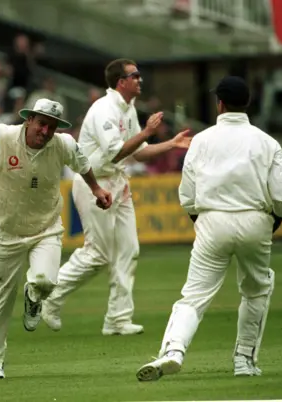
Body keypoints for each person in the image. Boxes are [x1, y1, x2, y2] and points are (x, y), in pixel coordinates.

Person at [0, 98, 113, 380]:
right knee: (0, 301)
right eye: (41, 124)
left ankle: (34, 295)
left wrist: (96, 189)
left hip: (46, 227)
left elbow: (82, 163)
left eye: (51, 127)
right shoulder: (2, 137)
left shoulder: (63, 144)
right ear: (29, 119)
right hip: (7, 231)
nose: (45, 131)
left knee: (46, 281)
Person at [135, 76, 282, 381]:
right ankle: (244, 361)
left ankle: (172, 352)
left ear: (219, 104)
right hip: (256, 220)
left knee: (193, 296)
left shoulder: (202, 141)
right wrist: (275, 220)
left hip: (212, 222)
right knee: (257, 289)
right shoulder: (267, 142)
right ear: (246, 104)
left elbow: (187, 194)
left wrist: (202, 221)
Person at [41, 59, 192, 336]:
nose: (140, 80)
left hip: (118, 182)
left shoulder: (128, 108)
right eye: (134, 76)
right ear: (121, 82)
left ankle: (117, 319)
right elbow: (115, 152)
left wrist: (170, 144)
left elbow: (137, 152)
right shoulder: (104, 110)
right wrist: (146, 132)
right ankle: (50, 296)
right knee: (98, 254)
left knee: (128, 250)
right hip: (93, 183)